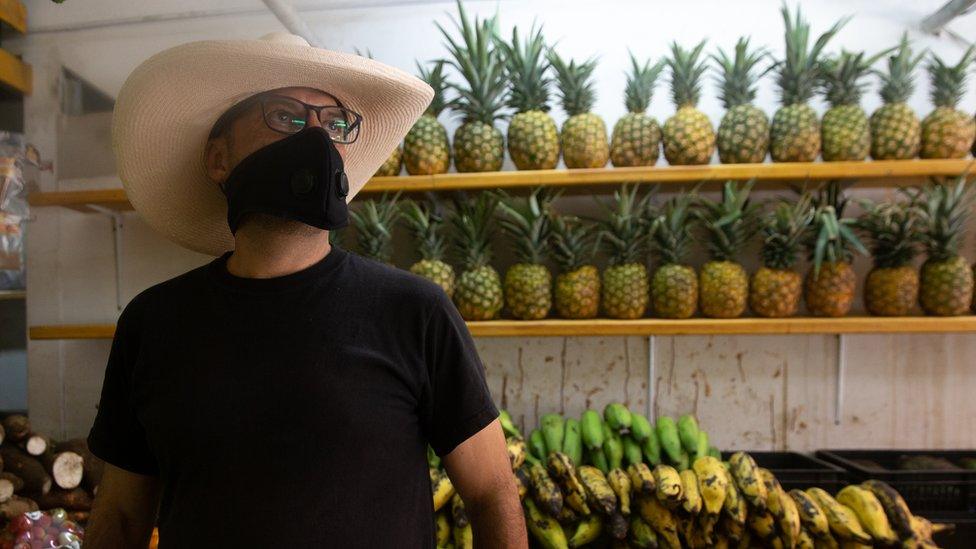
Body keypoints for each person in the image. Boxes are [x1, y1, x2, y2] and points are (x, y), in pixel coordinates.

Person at [83, 32, 526, 548]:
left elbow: (493, 492)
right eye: (285, 116)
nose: (316, 139)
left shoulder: (412, 310)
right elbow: (119, 515)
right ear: (219, 159)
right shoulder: (153, 322)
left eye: (334, 123)